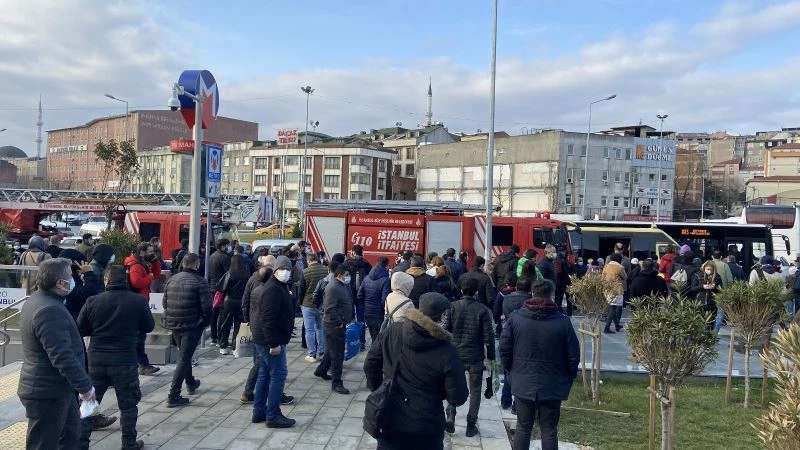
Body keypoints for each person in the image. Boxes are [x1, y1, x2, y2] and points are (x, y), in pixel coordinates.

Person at [364, 293, 468, 450]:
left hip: (389, 417)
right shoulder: (446, 351)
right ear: (441, 317)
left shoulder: (393, 330)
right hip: (426, 426)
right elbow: (458, 397)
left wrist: (380, 388)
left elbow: (370, 363)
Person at [17, 258, 95, 450]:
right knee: (43, 443)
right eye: (71, 277)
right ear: (60, 283)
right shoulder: (49, 309)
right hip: (47, 391)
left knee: (70, 436)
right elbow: (62, 355)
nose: (74, 280)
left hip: (59, 389)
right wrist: (85, 386)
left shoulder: (38, 300)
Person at [77, 265, 154, 450]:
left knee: (89, 404)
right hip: (125, 361)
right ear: (125, 280)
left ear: (106, 280)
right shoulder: (138, 301)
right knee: (128, 405)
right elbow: (149, 326)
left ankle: (80, 444)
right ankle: (128, 443)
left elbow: (81, 329)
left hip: (96, 360)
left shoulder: (92, 301)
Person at [499, 279, 579, 450]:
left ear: (532, 293)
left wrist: (511, 371)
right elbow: (573, 355)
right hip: (553, 381)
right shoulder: (563, 322)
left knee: (523, 427)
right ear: (551, 295)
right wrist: (568, 378)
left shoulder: (516, 318)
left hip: (522, 379)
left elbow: (504, 348)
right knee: (549, 430)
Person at [444, 277, 496, 437]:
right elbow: (489, 338)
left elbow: (444, 330)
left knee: (452, 387)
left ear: (461, 290)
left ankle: (451, 415)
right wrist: (491, 359)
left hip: (455, 356)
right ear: (477, 292)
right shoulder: (482, 310)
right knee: (475, 391)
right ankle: (471, 424)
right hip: (475, 357)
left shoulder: (452, 307)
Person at [250, 256, 297, 428]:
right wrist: (273, 344)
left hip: (268, 339)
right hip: (271, 340)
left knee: (265, 374)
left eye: (288, 269)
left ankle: (259, 411)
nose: (285, 272)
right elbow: (267, 319)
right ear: (275, 270)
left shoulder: (279, 286)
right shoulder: (272, 289)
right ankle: (273, 414)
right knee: (279, 374)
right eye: (282, 269)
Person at [162, 253, 210, 407]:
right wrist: (205, 322)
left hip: (174, 322)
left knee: (184, 354)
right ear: (197, 265)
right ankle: (173, 394)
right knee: (183, 358)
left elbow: (165, 302)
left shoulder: (172, 279)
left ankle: (190, 382)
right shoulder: (199, 281)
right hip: (191, 325)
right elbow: (207, 307)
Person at [315, 264, 355, 394]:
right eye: (347, 275)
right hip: (333, 325)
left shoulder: (341, 285)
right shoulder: (333, 287)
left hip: (338, 324)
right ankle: (337, 383)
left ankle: (321, 370)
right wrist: (339, 323)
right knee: (337, 354)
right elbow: (330, 308)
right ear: (340, 275)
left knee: (331, 349)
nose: (348, 277)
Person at [496, 277, 533, 410]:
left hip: (507, 334)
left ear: (516, 287)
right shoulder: (531, 302)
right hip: (525, 338)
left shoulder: (506, 298)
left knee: (508, 370)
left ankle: (505, 400)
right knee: (522, 372)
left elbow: (498, 314)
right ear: (530, 289)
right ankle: (516, 405)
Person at [124, 242, 160, 375]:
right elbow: (137, 282)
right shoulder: (136, 266)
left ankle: (142, 364)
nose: (153, 254)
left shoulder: (142, 264)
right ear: (142, 252)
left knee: (140, 336)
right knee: (139, 336)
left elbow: (156, 275)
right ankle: (142, 364)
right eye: (150, 251)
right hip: (137, 303)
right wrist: (149, 277)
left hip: (141, 301)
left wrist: (155, 263)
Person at [240, 264, 272, 403]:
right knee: (262, 362)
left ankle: (254, 391)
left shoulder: (253, 283)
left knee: (260, 361)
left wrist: (248, 320)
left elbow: (245, 302)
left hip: (255, 326)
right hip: (263, 329)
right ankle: (249, 392)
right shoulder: (268, 290)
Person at [217, 253, 251, 355]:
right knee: (239, 325)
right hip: (241, 301)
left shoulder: (229, 273)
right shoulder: (246, 274)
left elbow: (220, 287)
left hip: (229, 301)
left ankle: (223, 346)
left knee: (225, 324)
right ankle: (235, 347)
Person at [58, 249, 102, 321]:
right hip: (73, 318)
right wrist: (89, 273)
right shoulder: (65, 280)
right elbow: (88, 293)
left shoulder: (60, 274)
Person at [301, 252, 329, 363]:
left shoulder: (305, 272)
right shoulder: (325, 270)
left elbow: (301, 290)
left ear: (308, 261)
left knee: (309, 330)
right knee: (320, 328)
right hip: (322, 304)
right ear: (317, 259)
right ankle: (322, 352)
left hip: (308, 304)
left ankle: (312, 353)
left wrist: (300, 303)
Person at [358, 256, 392, 344]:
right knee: (377, 339)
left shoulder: (366, 278)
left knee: (374, 336)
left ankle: (372, 354)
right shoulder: (386, 280)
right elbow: (384, 299)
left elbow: (359, 295)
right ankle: (374, 355)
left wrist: (365, 306)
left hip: (367, 313)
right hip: (378, 314)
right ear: (386, 266)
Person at [346, 245, 372, 349]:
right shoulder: (367, 264)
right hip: (362, 294)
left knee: (348, 318)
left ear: (352, 252)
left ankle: (348, 341)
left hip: (349, 294)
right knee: (361, 319)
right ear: (362, 252)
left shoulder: (347, 263)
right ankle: (361, 342)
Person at [208, 239, 232, 346]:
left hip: (212, 288)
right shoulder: (225, 257)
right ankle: (220, 338)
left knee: (214, 314)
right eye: (227, 245)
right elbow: (228, 274)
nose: (229, 247)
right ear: (223, 246)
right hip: (222, 289)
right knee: (222, 315)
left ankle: (214, 337)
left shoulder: (212, 256)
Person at [689, 261, 722, 330]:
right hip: (700, 302)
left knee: (709, 324)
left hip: (712, 303)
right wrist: (703, 287)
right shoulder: (698, 275)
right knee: (699, 323)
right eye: (708, 269)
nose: (709, 271)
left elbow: (720, 290)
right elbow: (692, 288)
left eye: (711, 270)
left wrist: (714, 288)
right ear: (704, 268)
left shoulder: (717, 277)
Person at [603, 253, 627, 334]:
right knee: (613, 309)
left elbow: (603, 276)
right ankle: (607, 327)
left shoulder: (606, 266)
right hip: (616, 289)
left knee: (611, 307)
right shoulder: (620, 267)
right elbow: (625, 277)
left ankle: (617, 325)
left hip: (606, 289)